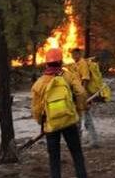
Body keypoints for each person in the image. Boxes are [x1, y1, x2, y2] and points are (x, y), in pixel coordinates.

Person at [31, 47, 89, 178]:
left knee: (54, 158)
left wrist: (42, 122)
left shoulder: (39, 84)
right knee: (77, 154)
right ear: (61, 61)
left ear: (46, 63)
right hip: (69, 120)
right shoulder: (68, 76)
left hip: (51, 125)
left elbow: (36, 109)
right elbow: (81, 93)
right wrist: (79, 110)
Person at [70, 48, 99, 148]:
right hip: (77, 94)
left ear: (79, 54)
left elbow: (85, 79)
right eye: (72, 54)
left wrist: (82, 94)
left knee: (87, 117)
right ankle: (78, 140)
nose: (73, 56)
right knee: (77, 118)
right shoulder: (75, 64)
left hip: (83, 95)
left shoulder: (83, 64)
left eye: (75, 54)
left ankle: (94, 141)